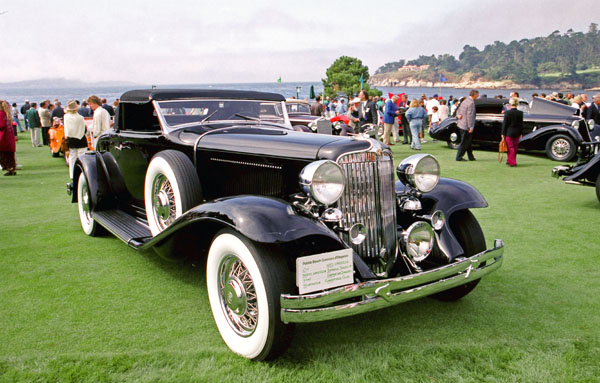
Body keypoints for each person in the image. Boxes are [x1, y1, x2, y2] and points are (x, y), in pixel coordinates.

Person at [64, 100, 89, 179]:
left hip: (70, 138)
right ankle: (82, 173)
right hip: (81, 138)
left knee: (72, 157)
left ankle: (72, 174)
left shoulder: (66, 117)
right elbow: (84, 129)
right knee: (82, 156)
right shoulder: (80, 118)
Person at [455, 89, 479, 161]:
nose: (477, 97)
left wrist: (458, 115)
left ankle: (471, 156)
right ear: (474, 95)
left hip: (461, 123)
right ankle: (459, 157)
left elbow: (458, 109)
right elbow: (470, 116)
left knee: (468, 142)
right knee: (464, 142)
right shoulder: (471, 103)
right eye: (477, 95)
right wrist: (470, 126)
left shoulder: (465, 101)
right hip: (466, 125)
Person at [501, 98, 524, 167]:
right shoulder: (520, 113)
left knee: (510, 147)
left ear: (510, 104)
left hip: (509, 132)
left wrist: (502, 133)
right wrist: (521, 133)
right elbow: (521, 124)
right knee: (515, 147)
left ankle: (512, 162)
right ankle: (510, 160)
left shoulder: (507, 112)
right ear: (517, 104)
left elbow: (505, 124)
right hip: (517, 132)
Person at [0, 100, 17, 175]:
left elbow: (1, 126)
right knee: (9, 154)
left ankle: (9, 168)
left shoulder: (1, 114)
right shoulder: (7, 114)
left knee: (4, 155)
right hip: (9, 137)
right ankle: (12, 168)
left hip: (3, 138)